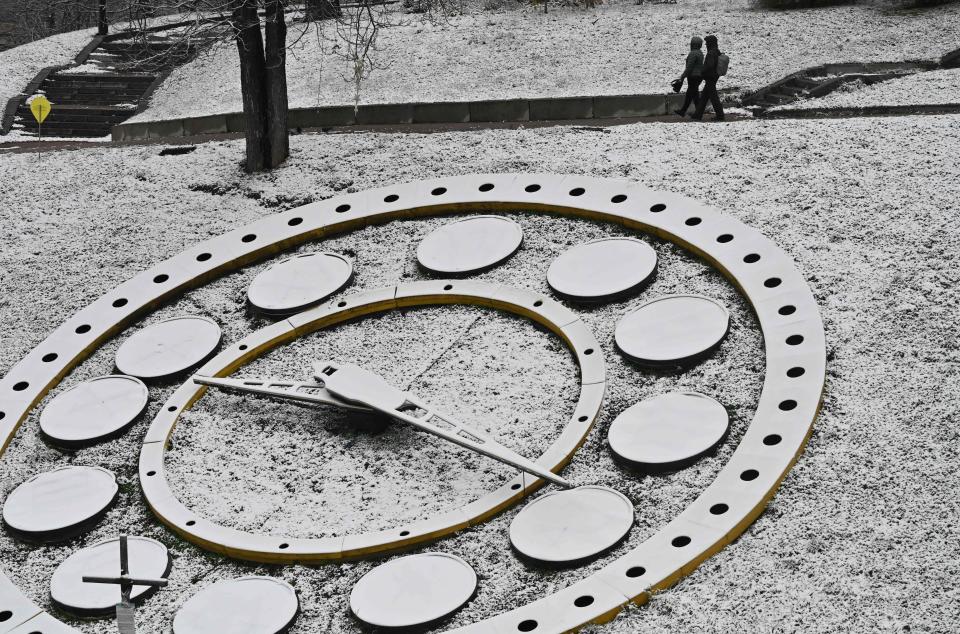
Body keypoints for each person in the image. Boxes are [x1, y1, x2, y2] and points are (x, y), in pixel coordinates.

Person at [693, 34, 725, 122]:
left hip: (710, 77)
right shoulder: (716, 51)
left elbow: (709, 65)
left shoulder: (711, 53)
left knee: (714, 98)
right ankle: (697, 115)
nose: (706, 45)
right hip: (713, 76)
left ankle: (720, 116)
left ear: (711, 43)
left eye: (707, 43)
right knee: (704, 97)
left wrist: (702, 71)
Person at [674, 36, 704, 117]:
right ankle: (696, 113)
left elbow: (689, 67)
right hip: (698, 76)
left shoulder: (693, 53)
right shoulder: (700, 53)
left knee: (691, 94)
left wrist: (683, 76)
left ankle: (688, 112)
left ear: (693, 44)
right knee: (694, 95)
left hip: (693, 76)